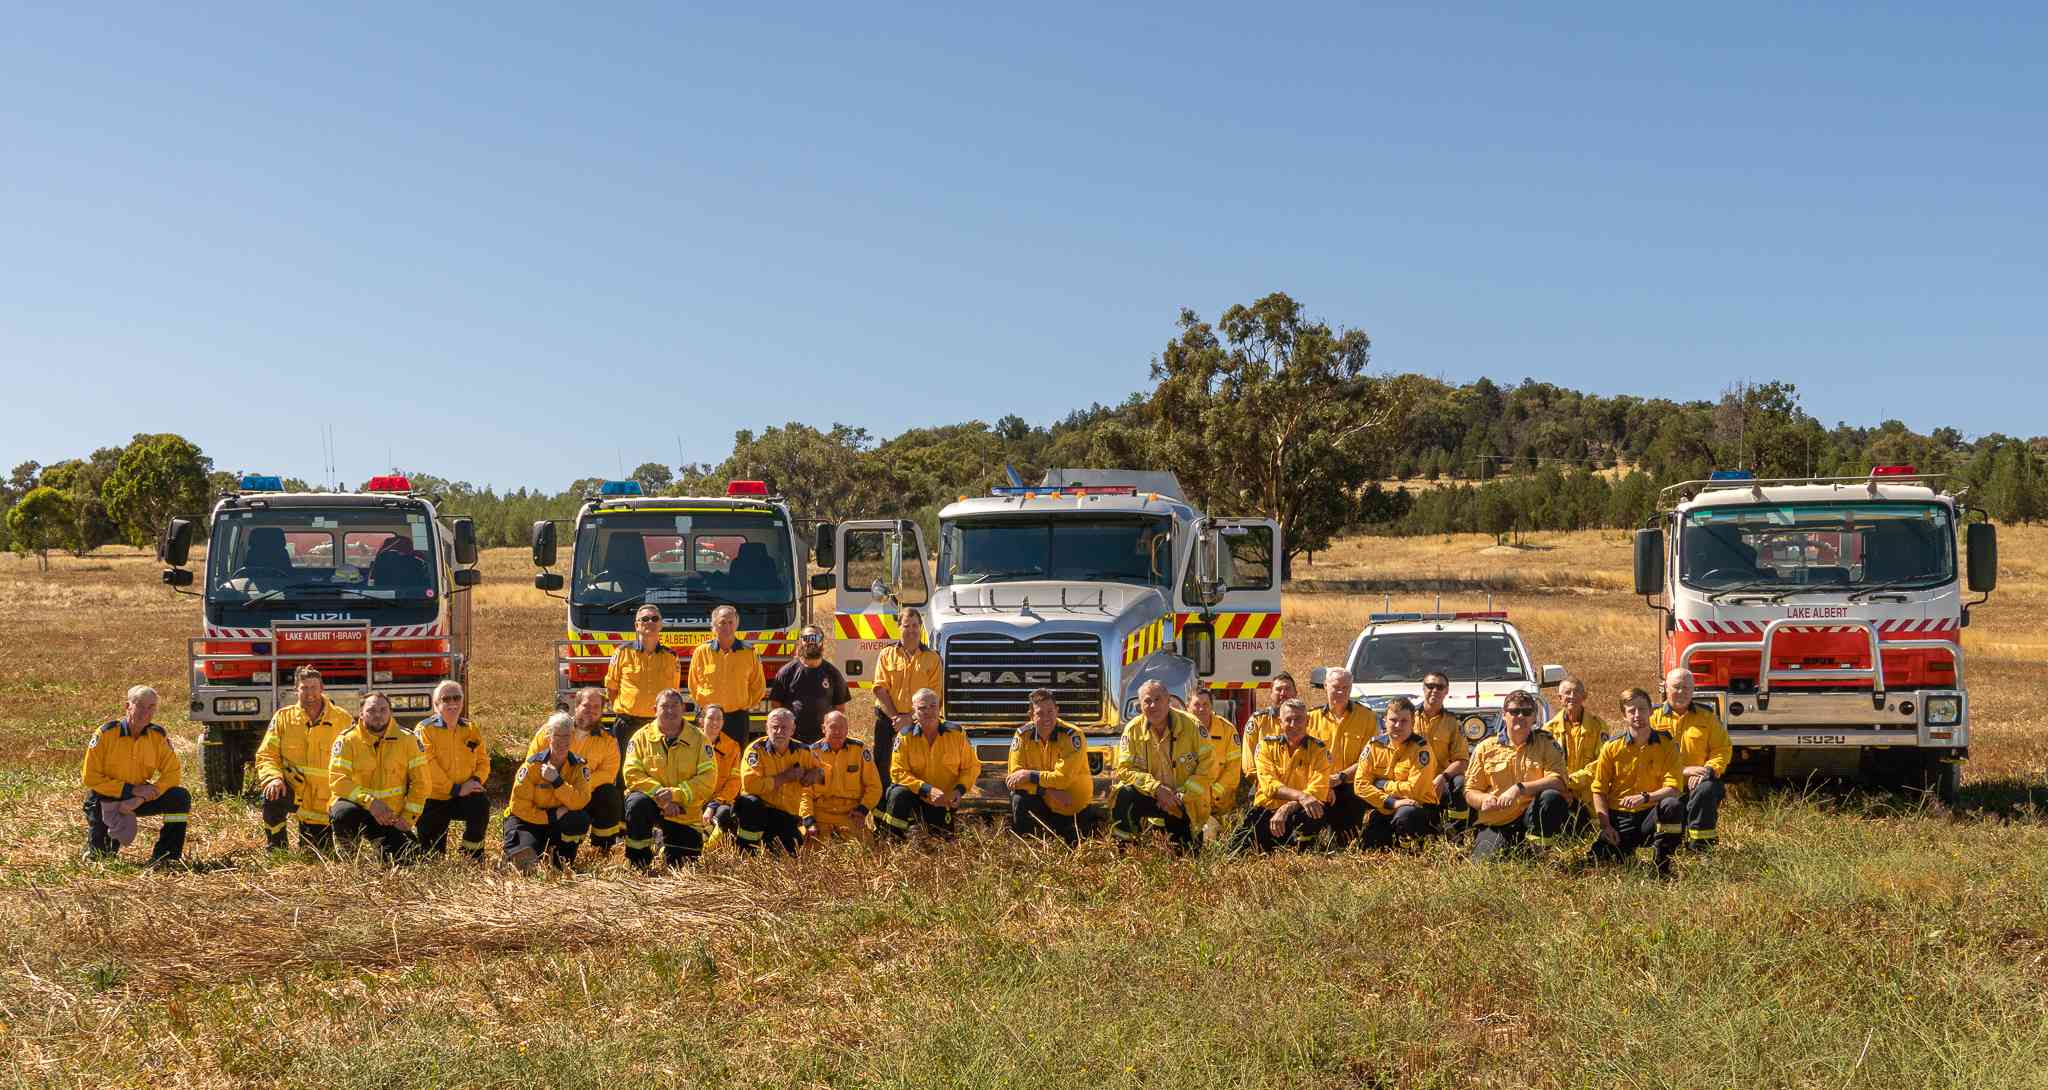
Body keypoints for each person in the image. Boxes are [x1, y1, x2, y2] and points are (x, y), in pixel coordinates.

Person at [81, 685, 190, 865]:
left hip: (138, 799)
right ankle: (93, 848)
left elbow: (173, 773)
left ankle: (166, 856)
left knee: (179, 797)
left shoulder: (157, 736)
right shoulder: (106, 734)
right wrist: (130, 791)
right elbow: (90, 777)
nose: (145, 712)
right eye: (140, 705)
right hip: (106, 799)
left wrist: (147, 794)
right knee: (101, 859)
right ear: (127, 706)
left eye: (151, 707)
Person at [1109, 680, 1215, 852]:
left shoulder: (1192, 726)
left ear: (1168, 700)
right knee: (1124, 794)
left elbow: (1208, 767)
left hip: (1183, 801)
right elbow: (1124, 769)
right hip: (1153, 795)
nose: (1153, 705)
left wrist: (1180, 797)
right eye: (1147, 701)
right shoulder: (1133, 729)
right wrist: (1157, 789)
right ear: (1140, 704)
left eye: (1158, 699)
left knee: (1184, 858)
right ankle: (1125, 853)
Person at [1589, 687, 1686, 876]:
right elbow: (1598, 790)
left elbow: (1674, 789)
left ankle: (1662, 865)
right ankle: (1625, 853)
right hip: (1621, 817)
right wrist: (1606, 827)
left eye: (1642, 709)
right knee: (1599, 860)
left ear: (1651, 711)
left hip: (1651, 815)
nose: (1637, 715)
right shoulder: (1611, 748)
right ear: (1624, 716)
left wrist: (1645, 797)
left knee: (1672, 805)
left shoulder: (1667, 745)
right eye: (1631, 711)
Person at [1463, 692, 1569, 861]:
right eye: (1514, 711)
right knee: (1482, 865)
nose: (1520, 716)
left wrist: (1519, 789)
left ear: (1534, 717)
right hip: (1498, 821)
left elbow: (1559, 781)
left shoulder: (1546, 743)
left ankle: (1541, 855)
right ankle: (1518, 849)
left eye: (1527, 712)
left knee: (1551, 797)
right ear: (1504, 715)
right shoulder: (1485, 747)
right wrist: (1484, 799)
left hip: (1532, 817)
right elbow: (1470, 791)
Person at [621, 688, 719, 869]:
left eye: (675, 706)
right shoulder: (640, 737)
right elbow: (631, 774)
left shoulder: (699, 740)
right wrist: (662, 798)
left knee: (682, 866)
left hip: (683, 812)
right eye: (664, 706)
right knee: (636, 803)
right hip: (651, 803)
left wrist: (675, 795)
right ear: (654, 710)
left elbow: (707, 780)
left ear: (683, 709)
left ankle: (661, 841)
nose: (670, 711)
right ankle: (639, 862)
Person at [253, 666, 348, 852]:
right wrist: (274, 778)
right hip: (294, 791)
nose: (309, 693)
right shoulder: (283, 718)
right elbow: (266, 754)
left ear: (322, 688)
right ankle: (277, 849)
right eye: (304, 688)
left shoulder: (342, 719)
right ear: (296, 690)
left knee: (315, 854)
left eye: (313, 687)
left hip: (325, 799)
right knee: (271, 795)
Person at [327, 692, 428, 861]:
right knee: (343, 813)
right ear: (361, 713)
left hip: (389, 817)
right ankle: (347, 857)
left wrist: (407, 818)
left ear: (390, 712)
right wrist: (370, 802)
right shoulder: (347, 740)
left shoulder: (408, 740)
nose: (378, 715)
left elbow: (422, 783)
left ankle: (380, 849)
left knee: (410, 859)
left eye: (383, 709)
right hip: (358, 808)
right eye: (371, 710)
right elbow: (338, 780)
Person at [525, 689, 625, 854]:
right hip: (551, 792)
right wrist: (558, 785)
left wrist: (578, 787)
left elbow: (608, 774)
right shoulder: (550, 731)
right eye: (586, 705)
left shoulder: (608, 741)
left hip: (585, 794)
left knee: (610, 795)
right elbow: (532, 762)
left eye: (596, 707)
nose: (591, 711)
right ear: (576, 706)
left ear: (601, 711)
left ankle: (602, 847)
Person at [1230, 699, 1331, 853]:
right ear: (1280, 722)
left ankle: (1304, 849)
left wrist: (1288, 807)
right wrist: (1301, 796)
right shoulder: (1266, 746)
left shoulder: (1319, 750)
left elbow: (1318, 789)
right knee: (1235, 851)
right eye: (1288, 720)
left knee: (1314, 810)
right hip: (1267, 809)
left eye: (1299, 719)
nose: (1293, 724)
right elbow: (1269, 786)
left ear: (1308, 721)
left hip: (1298, 811)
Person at [878, 687, 978, 840]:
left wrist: (958, 791)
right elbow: (897, 772)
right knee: (897, 794)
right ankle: (893, 840)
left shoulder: (957, 734)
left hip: (944, 800)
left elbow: (971, 767)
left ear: (939, 707)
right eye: (922, 708)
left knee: (941, 842)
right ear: (914, 712)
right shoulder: (905, 736)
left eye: (932, 706)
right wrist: (927, 790)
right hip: (917, 796)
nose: (928, 711)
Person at [1652, 667, 1732, 851]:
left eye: (1687, 688)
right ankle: (1666, 848)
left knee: (1706, 790)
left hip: (1698, 783)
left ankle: (1701, 847)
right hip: (1663, 784)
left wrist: (1708, 770)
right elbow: (1644, 757)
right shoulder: (1652, 718)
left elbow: (1722, 749)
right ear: (1665, 687)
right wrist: (1682, 771)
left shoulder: (1707, 717)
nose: (1682, 692)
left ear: (1694, 689)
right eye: (1676, 687)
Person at [505, 713, 596, 872]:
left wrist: (557, 782)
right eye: (557, 736)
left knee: (578, 818)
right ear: (549, 737)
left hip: (557, 824)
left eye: (566, 736)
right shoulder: (532, 766)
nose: (562, 742)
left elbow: (581, 800)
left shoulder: (579, 767)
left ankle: (560, 862)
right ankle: (524, 854)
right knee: (525, 859)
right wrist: (551, 816)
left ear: (572, 736)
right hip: (528, 821)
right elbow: (519, 807)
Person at [412, 680, 492, 860]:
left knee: (480, 806)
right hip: (434, 799)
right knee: (432, 858)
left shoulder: (471, 729)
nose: (452, 703)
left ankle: (471, 855)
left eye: (457, 698)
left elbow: (483, 760)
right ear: (436, 704)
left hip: (465, 794)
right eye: (446, 699)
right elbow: (427, 765)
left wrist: (476, 781)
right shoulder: (424, 730)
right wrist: (454, 789)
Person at [1004, 688, 1093, 845]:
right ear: (1031, 716)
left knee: (1076, 856)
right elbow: (1014, 779)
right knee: (1019, 797)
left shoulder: (1073, 735)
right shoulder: (1022, 735)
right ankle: (1027, 851)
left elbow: (1063, 779)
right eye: (1040, 713)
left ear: (1057, 711)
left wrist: (1029, 775)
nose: (1046, 717)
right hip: (1044, 802)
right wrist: (1046, 790)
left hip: (1072, 807)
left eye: (1050, 711)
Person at [1353, 697, 1440, 849]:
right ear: (1384, 720)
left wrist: (1382, 784)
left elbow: (1413, 791)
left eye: (1404, 721)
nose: (1398, 725)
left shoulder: (1422, 750)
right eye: (1393, 720)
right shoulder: (1374, 746)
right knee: (1369, 846)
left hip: (1418, 808)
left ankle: (1411, 852)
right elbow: (1360, 785)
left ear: (1412, 722)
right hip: (1385, 807)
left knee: (1405, 815)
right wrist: (1392, 802)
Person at [872, 607, 942, 789]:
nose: (911, 630)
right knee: (884, 767)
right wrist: (897, 718)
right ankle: (882, 813)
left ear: (921, 628)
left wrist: (909, 719)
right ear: (899, 627)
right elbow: (880, 689)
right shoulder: (886, 654)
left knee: (916, 768)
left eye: (915, 626)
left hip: (919, 722)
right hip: (888, 721)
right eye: (906, 626)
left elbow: (935, 696)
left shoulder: (932, 659)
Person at [735, 708, 821, 854]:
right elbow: (750, 785)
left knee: (790, 854)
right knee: (751, 803)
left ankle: (768, 842)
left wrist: (816, 773)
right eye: (775, 727)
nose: (779, 731)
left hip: (785, 814)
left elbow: (823, 771)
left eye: (784, 728)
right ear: (767, 728)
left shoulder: (804, 751)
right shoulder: (755, 750)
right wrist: (785, 777)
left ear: (792, 730)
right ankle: (746, 851)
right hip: (759, 811)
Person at [1307, 667, 1378, 842]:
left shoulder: (1367, 717)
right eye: (1336, 687)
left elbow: (1368, 759)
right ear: (1325, 686)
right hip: (1318, 784)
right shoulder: (1310, 718)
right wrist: (1324, 783)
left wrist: (1340, 777)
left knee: (1346, 839)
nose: (1340, 692)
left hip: (1350, 785)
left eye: (1345, 688)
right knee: (1307, 835)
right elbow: (1305, 758)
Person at [607, 605, 682, 755]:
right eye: (645, 619)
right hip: (627, 725)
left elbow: (673, 692)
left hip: (659, 725)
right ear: (637, 625)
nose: (650, 622)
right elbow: (612, 688)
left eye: (655, 619)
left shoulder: (671, 656)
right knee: (622, 772)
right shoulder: (622, 653)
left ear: (660, 624)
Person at [687, 605, 767, 745]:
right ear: (714, 626)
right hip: (708, 718)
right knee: (704, 759)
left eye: (731, 622)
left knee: (735, 760)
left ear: (736, 625)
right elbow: (693, 685)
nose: (727, 627)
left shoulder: (749, 653)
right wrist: (705, 708)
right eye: (722, 622)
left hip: (737, 719)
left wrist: (745, 705)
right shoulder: (701, 652)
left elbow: (758, 687)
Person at [803, 709, 881, 844]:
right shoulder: (811, 753)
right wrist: (809, 820)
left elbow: (874, 786)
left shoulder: (859, 750)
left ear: (847, 729)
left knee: (864, 851)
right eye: (833, 727)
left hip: (850, 814)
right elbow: (804, 793)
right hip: (821, 815)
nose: (838, 732)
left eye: (842, 727)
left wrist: (862, 810)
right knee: (807, 850)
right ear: (823, 728)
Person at [767, 624, 851, 745]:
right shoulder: (786, 672)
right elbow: (776, 705)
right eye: (807, 638)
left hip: (823, 742)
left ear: (822, 642)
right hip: (794, 741)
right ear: (801, 641)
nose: (811, 642)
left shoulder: (833, 673)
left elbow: (840, 709)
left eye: (815, 638)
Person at [1412, 670, 1473, 829]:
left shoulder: (1452, 722)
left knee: (1460, 782)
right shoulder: (1408, 717)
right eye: (1430, 686)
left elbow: (1462, 761)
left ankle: (1457, 832)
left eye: (1440, 687)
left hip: (1441, 782)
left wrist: (1443, 777)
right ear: (1423, 688)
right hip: (1411, 779)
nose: (1434, 690)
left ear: (1446, 691)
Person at [1543, 676, 1606, 828]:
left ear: (1584, 696)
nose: (1572, 696)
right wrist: (1562, 788)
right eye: (1567, 693)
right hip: (1560, 795)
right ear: (1560, 698)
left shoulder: (1598, 727)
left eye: (1576, 692)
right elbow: (1544, 766)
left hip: (1589, 799)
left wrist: (1570, 782)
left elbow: (1601, 763)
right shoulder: (1548, 730)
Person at [1190, 689, 1241, 829]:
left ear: (1212, 706)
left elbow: (1233, 769)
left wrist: (1212, 793)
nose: (1201, 709)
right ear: (1188, 706)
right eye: (1196, 704)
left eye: (1205, 704)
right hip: (1190, 801)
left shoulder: (1227, 730)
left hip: (1219, 803)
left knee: (1210, 834)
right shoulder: (1179, 729)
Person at [1241, 672, 1299, 794]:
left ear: (1295, 693)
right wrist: (1269, 783)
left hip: (1298, 787)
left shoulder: (1307, 720)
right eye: (1278, 689)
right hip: (1264, 787)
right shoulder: (1258, 720)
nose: (1283, 693)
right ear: (1271, 694)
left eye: (1287, 689)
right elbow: (1249, 763)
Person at [697, 704, 744, 844]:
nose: (715, 722)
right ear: (701, 720)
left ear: (723, 722)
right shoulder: (689, 742)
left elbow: (734, 781)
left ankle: (707, 850)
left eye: (719, 719)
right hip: (692, 798)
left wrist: (713, 805)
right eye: (710, 718)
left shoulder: (732, 747)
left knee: (723, 813)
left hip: (720, 801)